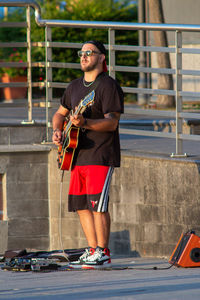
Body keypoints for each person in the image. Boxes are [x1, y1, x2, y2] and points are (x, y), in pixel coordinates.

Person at [52, 40, 124, 269]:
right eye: (81, 53)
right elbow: (59, 114)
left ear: (101, 57)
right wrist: (57, 130)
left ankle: (103, 251)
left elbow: (112, 122)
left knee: (97, 204)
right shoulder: (73, 86)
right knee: (81, 205)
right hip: (76, 155)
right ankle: (92, 249)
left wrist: (86, 122)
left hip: (100, 153)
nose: (83, 56)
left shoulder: (108, 85)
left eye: (89, 53)